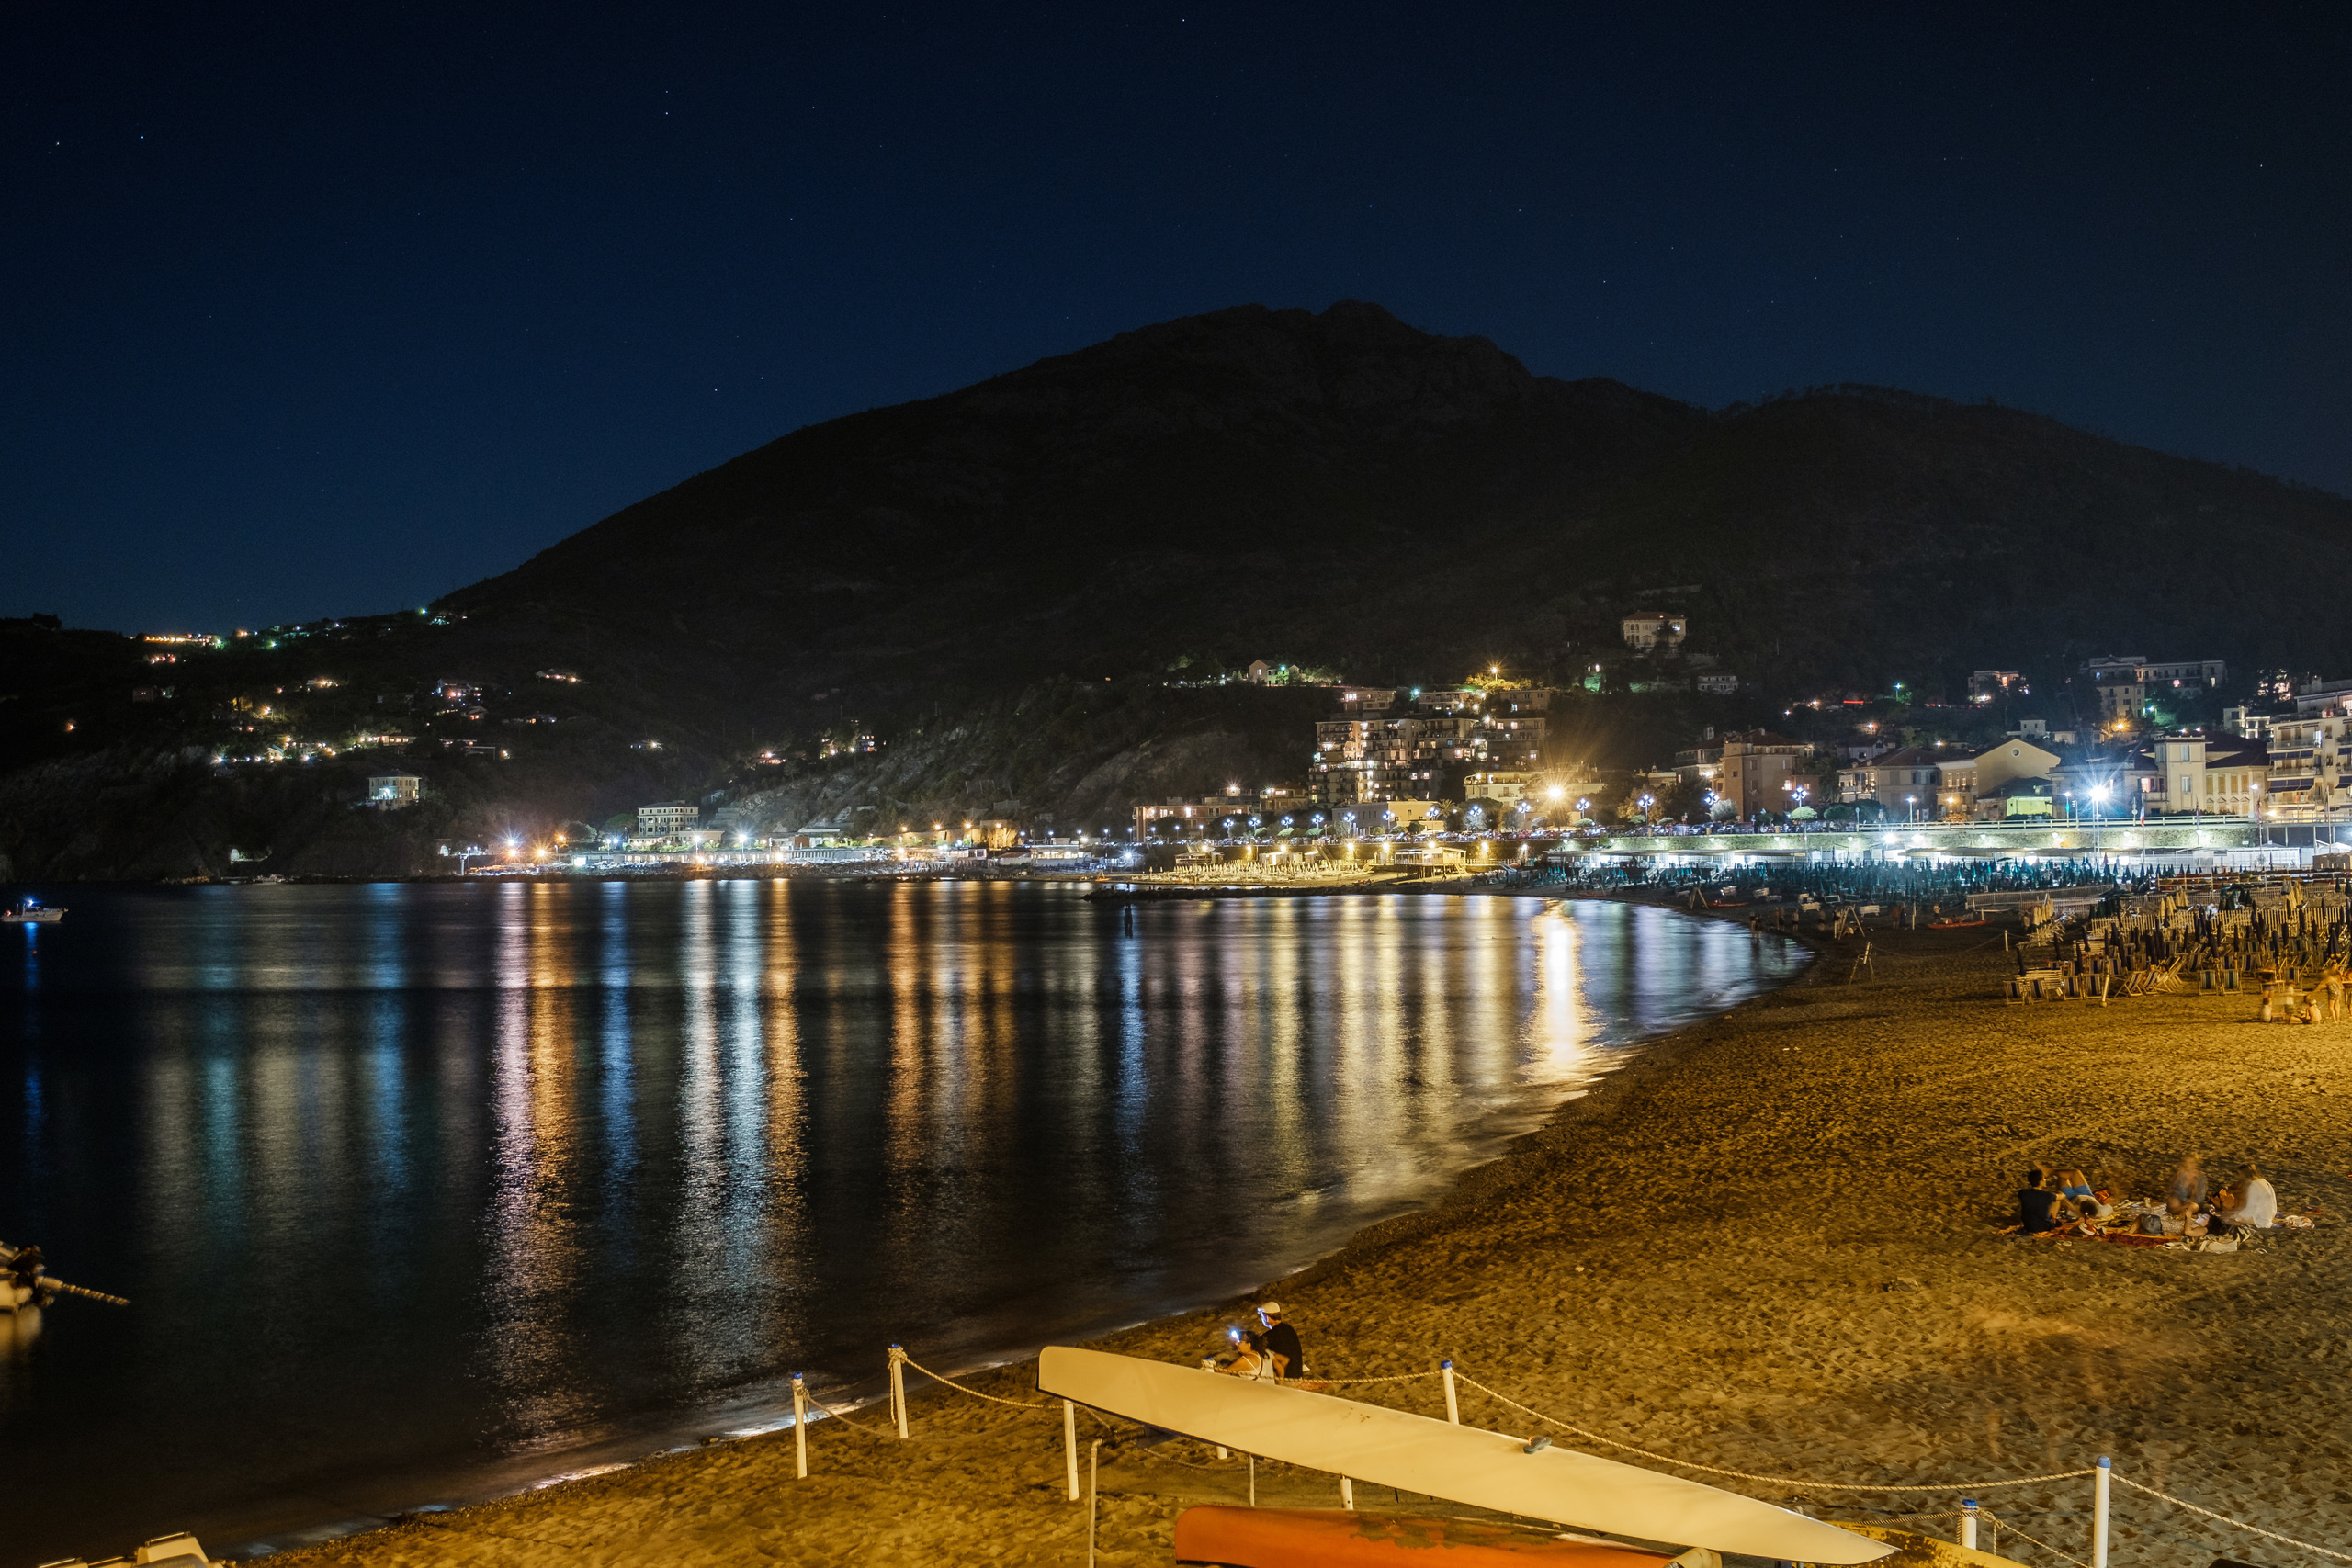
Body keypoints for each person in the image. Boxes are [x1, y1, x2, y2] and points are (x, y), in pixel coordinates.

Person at [2218, 1161, 2278, 1229]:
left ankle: (2243, 1226)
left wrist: (2235, 1214)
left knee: (2225, 1219)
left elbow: (2249, 1209)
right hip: (2268, 1216)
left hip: (2259, 1218)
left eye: (2240, 1174)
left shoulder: (2252, 1186)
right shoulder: (2265, 1182)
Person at [1256, 1302, 1303, 1382]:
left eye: (1262, 1316)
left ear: (1267, 1318)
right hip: (1298, 1375)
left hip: (1286, 1379)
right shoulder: (1289, 1329)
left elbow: (1255, 1348)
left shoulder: (1270, 1335)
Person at [2015, 1169, 2061, 1235]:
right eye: (2044, 1178)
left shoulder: (2022, 1193)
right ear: (2041, 1181)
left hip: (2028, 1226)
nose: (2045, 1180)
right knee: (2057, 1200)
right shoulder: (2048, 1195)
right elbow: (2062, 1196)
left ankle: (2051, 1217)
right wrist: (2060, 1192)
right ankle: (2054, 1218)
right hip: (2043, 1227)